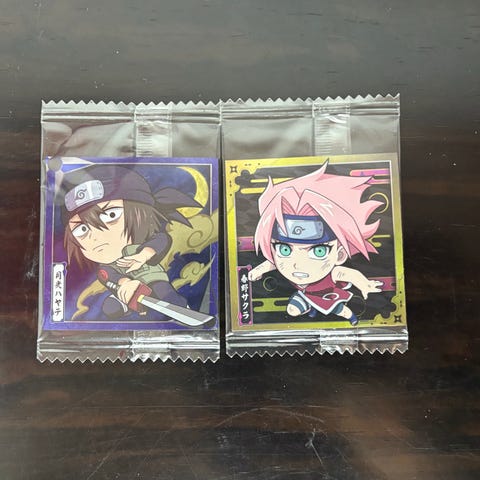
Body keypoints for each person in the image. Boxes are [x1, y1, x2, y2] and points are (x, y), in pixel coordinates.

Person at [248, 162, 383, 326]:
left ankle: (352, 319)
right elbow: (272, 263)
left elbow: (350, 275)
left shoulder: (334, 272)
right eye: (284, 249)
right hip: (304, 294)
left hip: (327, 295)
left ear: (340, 255)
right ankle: (312, 309)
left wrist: (365, 285)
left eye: (319, 251)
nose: (298, 264)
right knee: (292, 310)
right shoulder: (279, 260)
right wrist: (258, 270)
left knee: (340, 310)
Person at [61, 165, 199, 320]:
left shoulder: (138, 247)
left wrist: (143, 255)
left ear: (141, 214)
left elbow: (161, 240)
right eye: (82, 229)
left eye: (111, 215)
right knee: (110, 308)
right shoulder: (105, 268)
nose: (96, 236)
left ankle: (180, 308)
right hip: (127, 291)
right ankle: (133, 304)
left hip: (151, 278)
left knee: (163, 292)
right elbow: (110, 277)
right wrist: (126, 283)